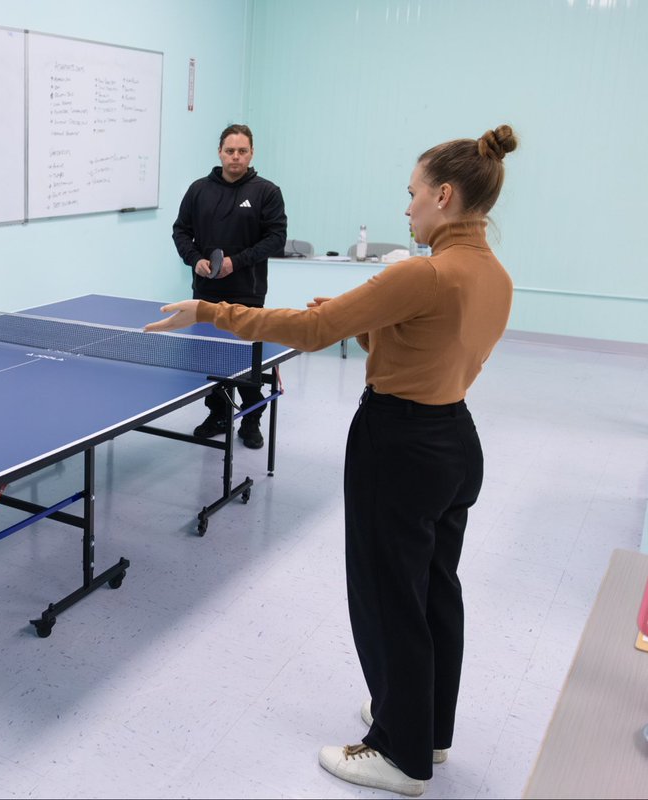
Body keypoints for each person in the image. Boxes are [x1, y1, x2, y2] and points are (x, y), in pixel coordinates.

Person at [147, 125, 519, 796]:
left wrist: (209, 309)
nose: (404, 208)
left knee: (385, 599)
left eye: (410, 195)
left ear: (442, 194)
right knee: (434, 592)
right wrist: (356, 310)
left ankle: (397, 755)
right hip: (454, 441)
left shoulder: (423, 271)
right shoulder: (492, 273)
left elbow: (315, 332)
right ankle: (427, 730)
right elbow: (412, 333)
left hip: (397, 442)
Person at [171, 123, 287, 449]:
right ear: (220, 152)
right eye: (230, 150)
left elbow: (276, 238)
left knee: (245, 362)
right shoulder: (198, 190)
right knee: (211, 360)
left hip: (246, 293)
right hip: (205, 292)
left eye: (242, 151)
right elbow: (181, 231)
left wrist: (238, 261)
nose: (235, 157)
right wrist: (195, 259)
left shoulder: (267, 192)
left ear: (251, 154)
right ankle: (219, 413)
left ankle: (251, 417)